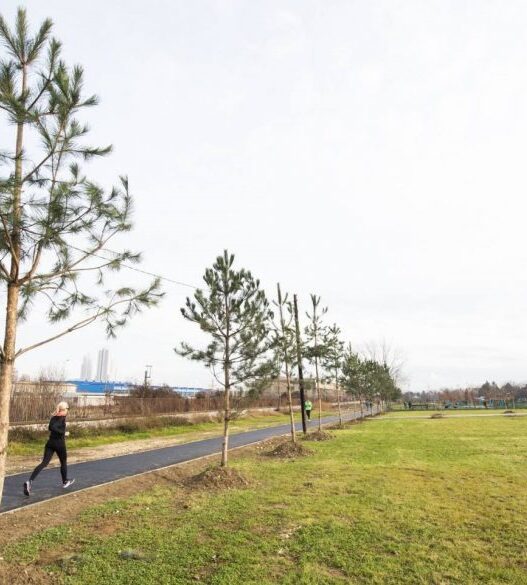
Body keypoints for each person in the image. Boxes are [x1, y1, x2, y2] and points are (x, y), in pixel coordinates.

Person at [23, 401, 75, 496]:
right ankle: (65, 481)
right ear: (63, 410)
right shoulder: (61, 418)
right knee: (63, 462)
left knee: (44, 463)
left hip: (50, 443)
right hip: (59, 444)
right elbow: (52, 427)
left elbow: (50, 427)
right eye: (67, 409)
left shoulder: (54, 417)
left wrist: (61, 431)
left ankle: (29, 481)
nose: (68, 411)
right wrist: (63, 433)